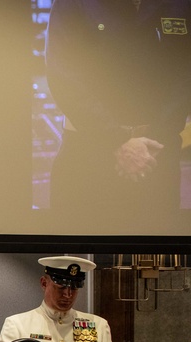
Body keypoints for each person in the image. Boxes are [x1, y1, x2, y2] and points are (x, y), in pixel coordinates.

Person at [46, 0, 191, 214]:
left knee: (155, 243)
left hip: (157, 156)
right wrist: (116, 140)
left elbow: (185, 75)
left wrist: (155, 139)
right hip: (88, 155)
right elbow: (64, 75)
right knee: (80, 242)